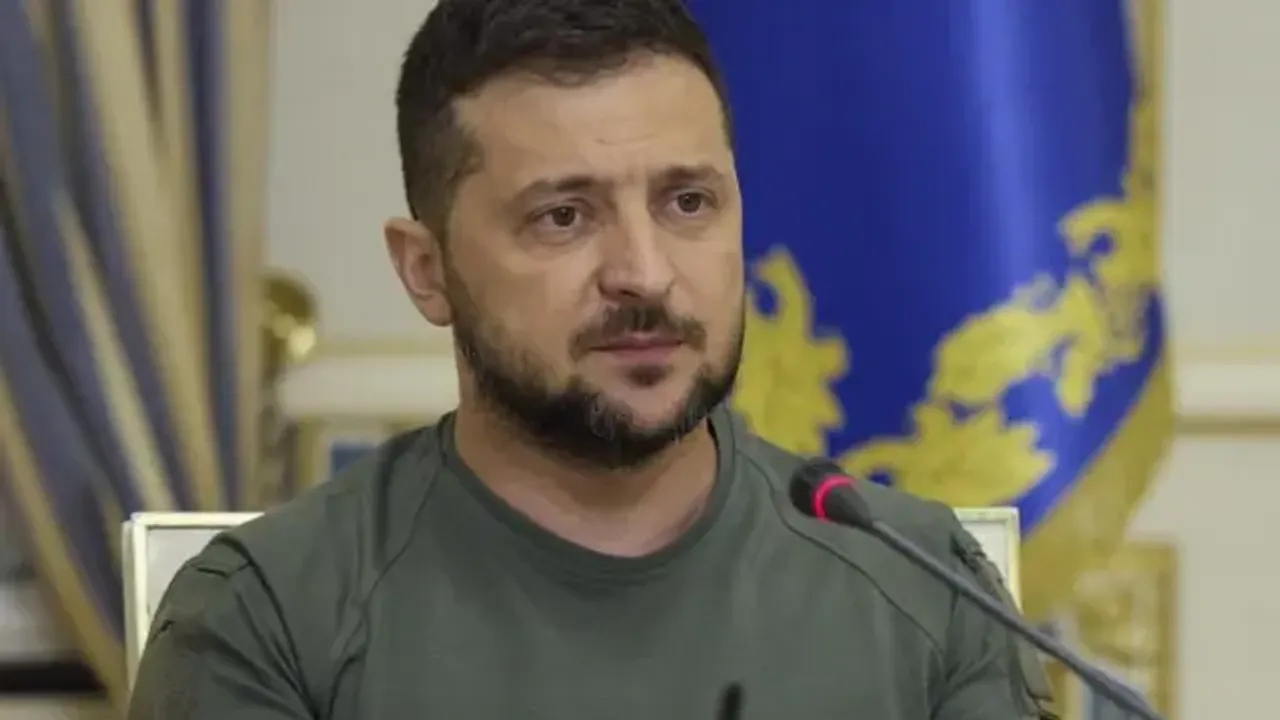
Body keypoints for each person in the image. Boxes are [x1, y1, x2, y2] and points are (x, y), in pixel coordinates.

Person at [128, 0, 1054, 717]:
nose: (644, 273)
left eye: (687, 203)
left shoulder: (921, 585)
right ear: (427, 270)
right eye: (563, 216)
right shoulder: (269, 618)